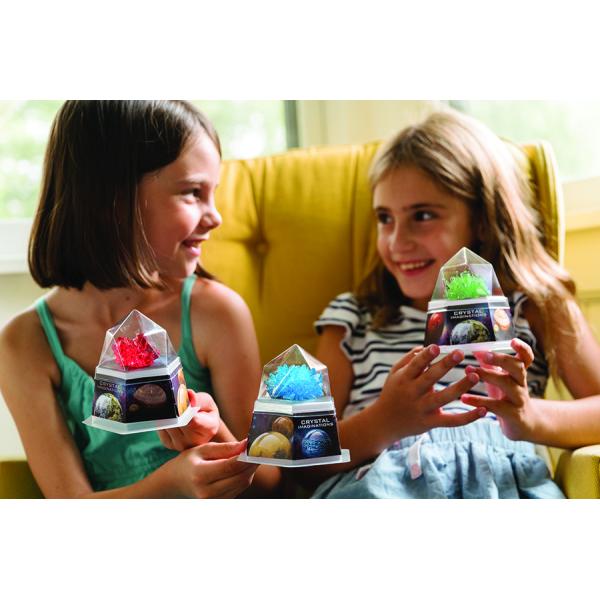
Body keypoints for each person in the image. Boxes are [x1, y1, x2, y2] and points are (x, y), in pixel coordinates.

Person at [308, 110, 600, 498]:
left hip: (502, 482)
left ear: (481, 220)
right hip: (377, 486)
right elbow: (301, 454)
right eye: (385, 218)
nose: (397, 241)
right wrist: (384, 421)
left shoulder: (533, 304)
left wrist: (529, 416)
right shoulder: (352, 318)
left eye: (422, 215)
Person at [0, 100, 279, 498]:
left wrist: (212, 429)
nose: (216, 216)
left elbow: (270, 482)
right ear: (112, 198)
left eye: (212, 193)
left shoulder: (216, 313)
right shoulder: (25, 345)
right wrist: (170, 485)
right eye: (192, 192)